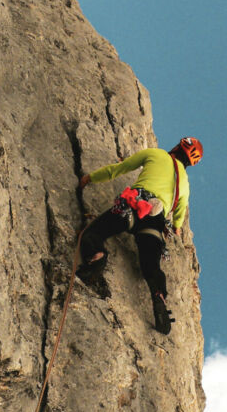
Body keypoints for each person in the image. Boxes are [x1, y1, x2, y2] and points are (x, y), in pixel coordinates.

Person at [77, 137, 203, 334]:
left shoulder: (155, 154)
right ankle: (158, 294)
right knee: (151, 264)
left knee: (94, 233)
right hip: (155, 219)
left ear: (177, 146)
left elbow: (119, 169)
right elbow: (181, 209)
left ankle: (98, 256)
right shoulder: (184, 183)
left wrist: (90, 178)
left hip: (132, 206)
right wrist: (176, 228)